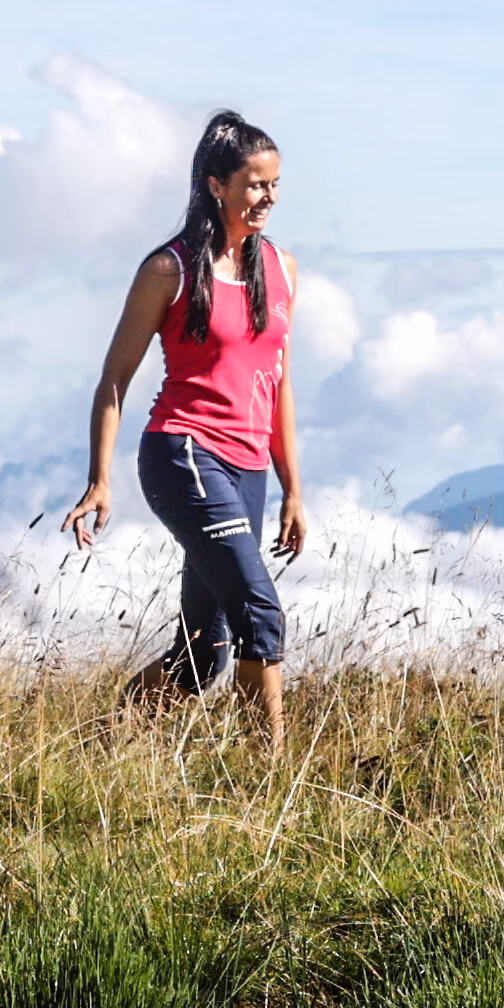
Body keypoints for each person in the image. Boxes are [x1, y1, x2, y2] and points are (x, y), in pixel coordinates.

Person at [65, 112, 306, 753]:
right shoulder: (168, 270)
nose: (268, 198)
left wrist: (293, 491)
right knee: (261, 613)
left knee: (204, 657)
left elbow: (278, 383)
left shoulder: (281, 268)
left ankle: (101, 746)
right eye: (255, 185)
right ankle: (270, 777)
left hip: (250, 469)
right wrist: (99, 478)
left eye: (275, 184)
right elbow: (114, 377)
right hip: (184, 453)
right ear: (216, 185)